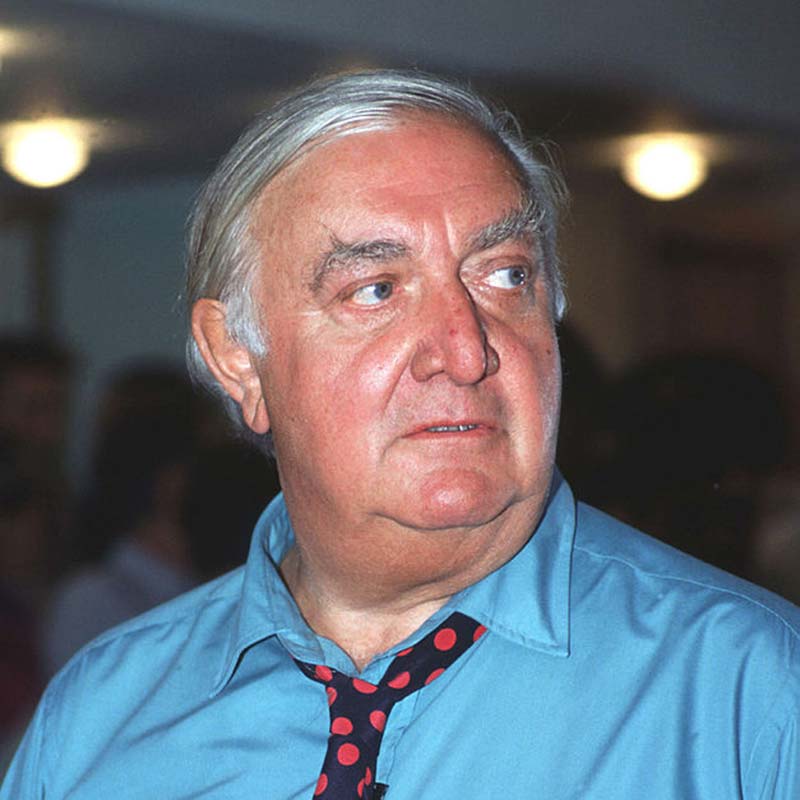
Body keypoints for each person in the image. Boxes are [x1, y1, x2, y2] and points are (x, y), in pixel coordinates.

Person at [2, 70, 798, 799]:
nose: (466, 348)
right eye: (376, 289)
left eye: (508, 275)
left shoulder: (749, 691)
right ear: (238, 361)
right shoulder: (103, 715)